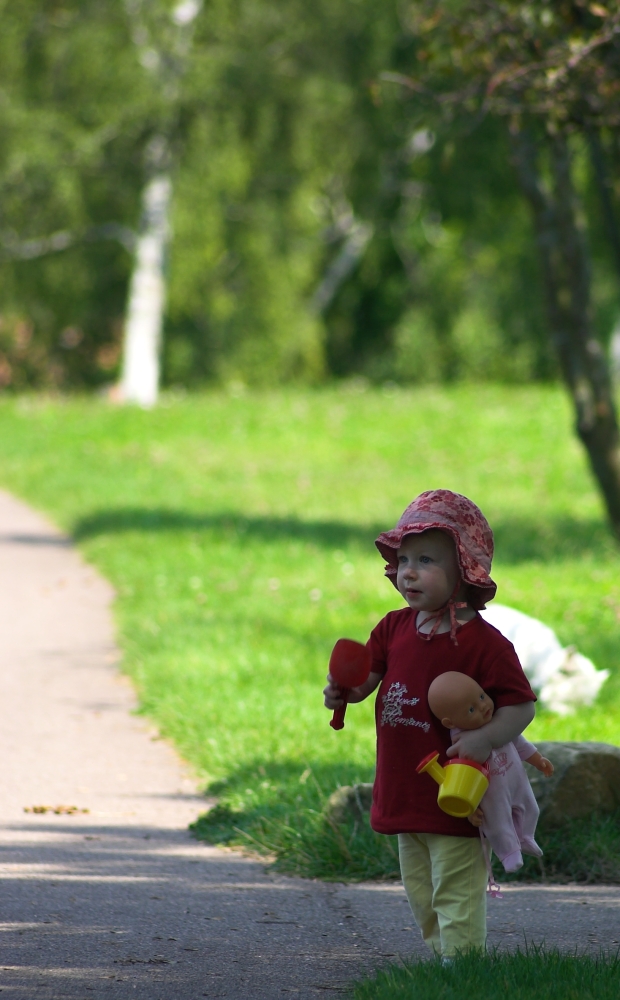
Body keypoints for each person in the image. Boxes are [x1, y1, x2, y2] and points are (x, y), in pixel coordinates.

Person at [323, 489, 537, 959]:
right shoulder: (394, 628)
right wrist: (344, 691)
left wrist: (484, 739)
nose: (409, 572)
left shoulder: (486, 644)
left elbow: (521, 707)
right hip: (405, 789)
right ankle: (446, 965)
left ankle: (461, 971)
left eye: (426, 560)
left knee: (455, 892)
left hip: (458, 797)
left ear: (464, 570)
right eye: (403, 560)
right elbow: (365, 684)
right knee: (421, 892)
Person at [427, 671, 554, 873]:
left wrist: (538, 759)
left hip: (516, 779)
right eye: (471, 709)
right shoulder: (461, 745)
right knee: (496, 823)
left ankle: (526, 837)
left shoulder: (498, 724)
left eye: (481, 697)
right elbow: (462, 780)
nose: (483, 706)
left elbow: (519, 742)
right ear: (451, 723)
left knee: (530, 806)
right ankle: (509, 854)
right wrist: (469, 808)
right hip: (491, 793)